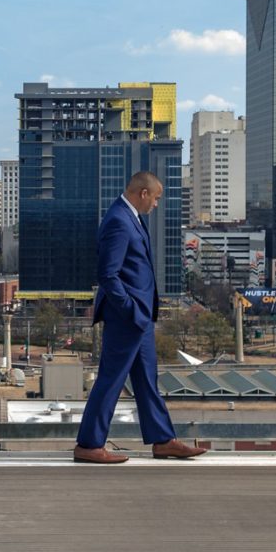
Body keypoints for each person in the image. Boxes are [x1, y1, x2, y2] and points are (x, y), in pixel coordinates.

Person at [74, 169, 210, 465]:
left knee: (147, 380)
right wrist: (131, 310)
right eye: (156, 198)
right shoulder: (119, 221)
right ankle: (88, 444)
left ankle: (163, 440)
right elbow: (108, 275)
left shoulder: (129, 217)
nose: (157, 205)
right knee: (111, 379)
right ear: (143, 193)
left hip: (140, 318)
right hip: (128, 317)